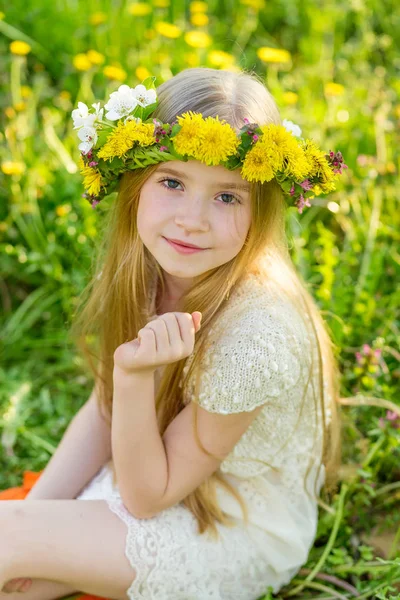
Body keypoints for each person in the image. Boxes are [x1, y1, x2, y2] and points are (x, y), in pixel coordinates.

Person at [0, 66, 346, 600]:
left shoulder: (258, 336)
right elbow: (105, 406)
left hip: (231, 525)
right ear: (137, 183)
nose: (192, 220)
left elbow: (146, 496)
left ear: (261, 211)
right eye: (173, 182)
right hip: (154, 464)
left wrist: (135, 377)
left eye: (227, 197)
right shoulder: (154, 267)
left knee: (10, 545)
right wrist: (37, 512)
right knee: (15, 571)